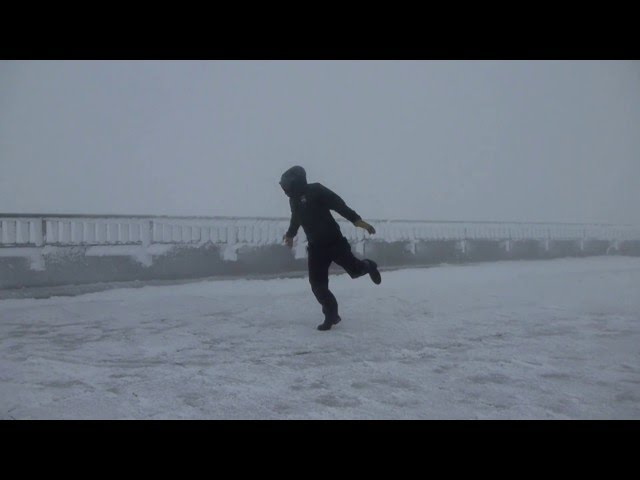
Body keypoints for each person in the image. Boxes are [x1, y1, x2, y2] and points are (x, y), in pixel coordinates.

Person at [279, 165, 381, 331]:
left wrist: (357, 221)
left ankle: (369, 265)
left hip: (335, 243)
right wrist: (290, 234)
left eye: (285, 185)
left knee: (355, 271)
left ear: (295, 182)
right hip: (316, 248)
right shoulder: (294, 200)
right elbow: (296, 218)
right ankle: (331, 315)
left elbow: (339, 205)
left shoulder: (316, 190)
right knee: (318, 285)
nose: (284, 189)